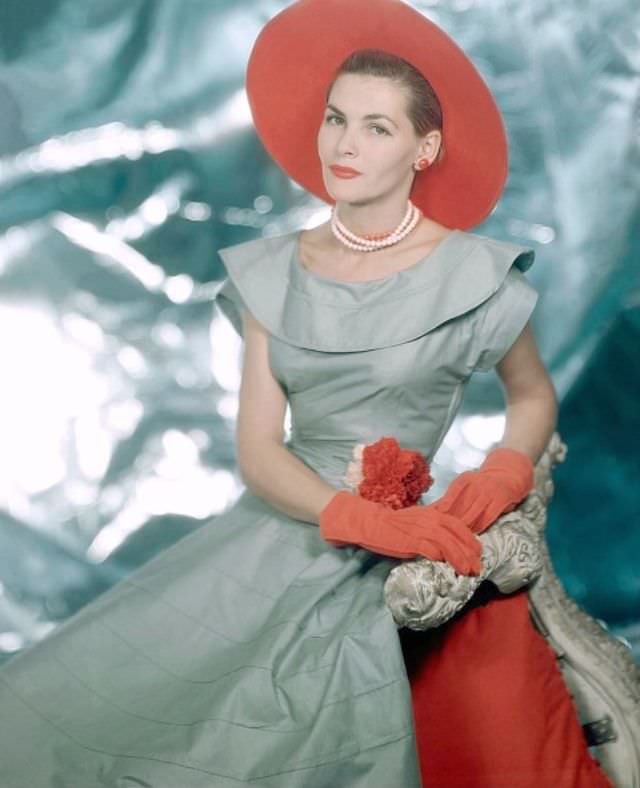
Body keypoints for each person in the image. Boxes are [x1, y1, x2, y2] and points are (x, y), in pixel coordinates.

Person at [0, 1, 615, 786]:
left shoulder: (478, 276)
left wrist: (503, 470)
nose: (344, 145)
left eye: (376, 128)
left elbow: (531, 397)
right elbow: (259, 449)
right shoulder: (273, 272)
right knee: (75, 712)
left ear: (425, 148)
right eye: (335, 119)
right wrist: (351, 516)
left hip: (406, 548)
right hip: (278, 530)